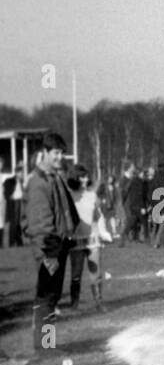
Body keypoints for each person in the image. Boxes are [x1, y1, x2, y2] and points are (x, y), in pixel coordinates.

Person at [22, 132, 79, 341]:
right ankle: (44, 345)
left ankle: (46, 343)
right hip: (49, 248)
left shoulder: (53, 178)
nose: (59, 157)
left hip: (57, 246)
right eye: (55, 152)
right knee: (47, 297)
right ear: (44, 153)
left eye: (62, 153)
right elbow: (41, 224)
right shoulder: (39, 182)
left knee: (51, 297)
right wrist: (50, 254)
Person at [69, 165, 111, 311]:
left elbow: (99, 216)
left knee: (96, 273)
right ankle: (74, 304)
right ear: (75, 178)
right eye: (82, 177)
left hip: (93, 240)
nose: (86, 179)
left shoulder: (92, 195)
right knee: (76, 274)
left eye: (87, 176)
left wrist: (103, 231)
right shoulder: (70, 195)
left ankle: (99, 302)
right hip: (76, 241)